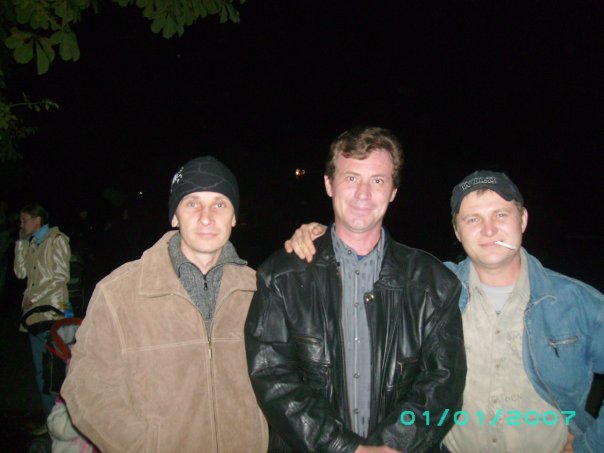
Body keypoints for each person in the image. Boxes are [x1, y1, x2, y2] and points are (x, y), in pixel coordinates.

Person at [288, 170, 604, 453]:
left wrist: (591, 445)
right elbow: (363, 269)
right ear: (457, 231)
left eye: (500, 215)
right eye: (473, 219)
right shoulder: (431, 287)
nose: (489, 230)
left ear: (522, 220)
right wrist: (322, 237)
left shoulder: (576, 301)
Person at [245, 126, 466, 453]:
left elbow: (443, 385)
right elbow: (273, 378)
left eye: (377, 180)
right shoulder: (280, 277)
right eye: (351, 178)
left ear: (393, 191)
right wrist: (345, 448)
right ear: (328, 184)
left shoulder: (434, 283)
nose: (363, 194)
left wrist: (392, 445)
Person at [61, 156, 268, 452]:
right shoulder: (118, 294)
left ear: (234, 216)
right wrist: (143, 445)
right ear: (174, 216)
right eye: (192, 203)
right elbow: (86, 387)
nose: (206, 217)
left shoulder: (261, 291)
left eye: (220, 204)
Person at [14, 202, 71, 433]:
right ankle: (51, 422)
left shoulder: (57, 240)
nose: (21, 225)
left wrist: (33, 297)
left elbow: (61, 277)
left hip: (52, 313)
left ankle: (68, 422)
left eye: (24, 220)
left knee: (57, 370)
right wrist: (20, 244)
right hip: (33, 316)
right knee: (41, 371)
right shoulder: (31, 243)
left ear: (37, 220)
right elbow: (20, 273)